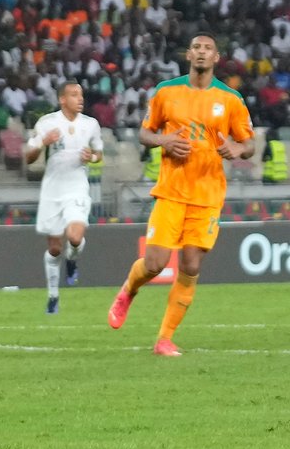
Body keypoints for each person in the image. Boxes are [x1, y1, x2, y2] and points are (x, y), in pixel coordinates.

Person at [108, 34, 255, 356]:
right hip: (172, 190)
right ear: (189, 54)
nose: (202, 53)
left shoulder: (230, 99)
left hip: (208, 194)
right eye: (197, 48)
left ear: (216, 58)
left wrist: (238, 148)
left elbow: (250, 143)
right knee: (155, 263)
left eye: (208, 49)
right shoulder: (166, 92)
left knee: (190, 264)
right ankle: (128, 289)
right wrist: (164, 142)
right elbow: (145, 133)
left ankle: (164, 338)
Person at [24, 82, 103, 315]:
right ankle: (53, 296)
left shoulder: (91, 125)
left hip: (77, 187)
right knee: (55, 248)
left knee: (75, 236)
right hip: (52, 190)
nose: (80, 99)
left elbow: (99, 153)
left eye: (81, 94)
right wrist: (42, 143)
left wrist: (93, 157)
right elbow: (28, 158)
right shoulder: (47, 123)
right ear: (62, 100)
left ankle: (73, 258)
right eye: (74, 95)